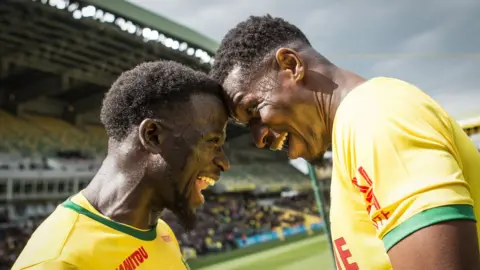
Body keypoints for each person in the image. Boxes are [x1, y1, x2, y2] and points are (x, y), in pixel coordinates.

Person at [210, 14, 480, 269]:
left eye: (254, 109)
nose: (258, 139)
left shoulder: (374, 115)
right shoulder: (353, 133)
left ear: (291, 66)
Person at [13, 61, 230, 270]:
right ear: (153, 136)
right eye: (212, 141)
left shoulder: (160, 231)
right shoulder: (58, 262)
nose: (224, 163)